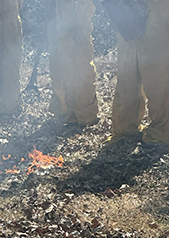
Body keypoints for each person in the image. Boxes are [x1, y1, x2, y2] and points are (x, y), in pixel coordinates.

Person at [107, 0, 169, 145]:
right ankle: (125, 127)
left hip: (157, 8)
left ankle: (162, 130)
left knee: (158, 70)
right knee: (127, 68)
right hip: (127, 8)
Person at [47, 0, 98, 126]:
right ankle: (67, 111)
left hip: (79, 9)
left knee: (82, 63)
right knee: (61, 61)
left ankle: (85, 114)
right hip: (58, 11)